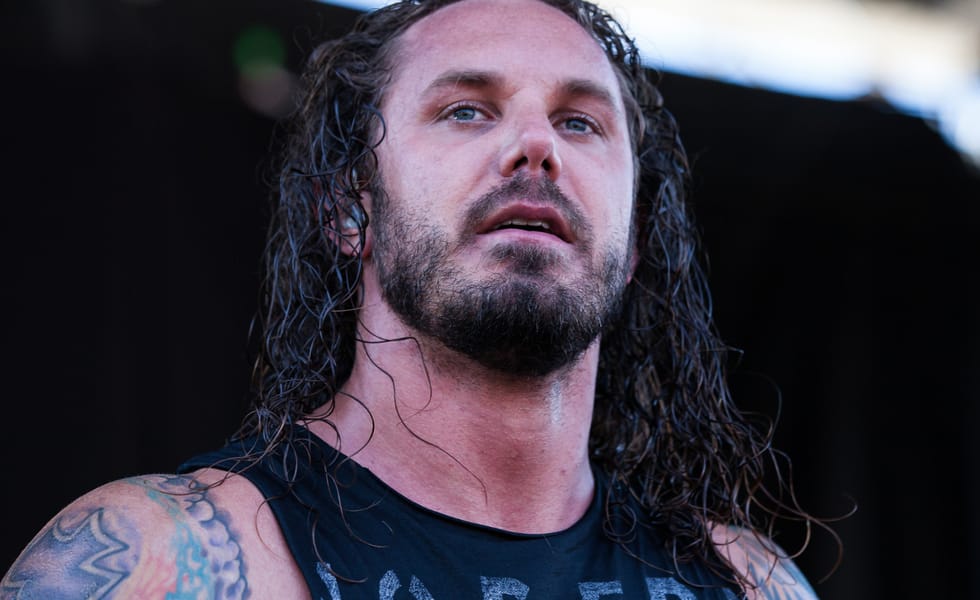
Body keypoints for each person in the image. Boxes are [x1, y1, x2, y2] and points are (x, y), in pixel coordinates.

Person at [2, 0, 842, 597]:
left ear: (635, 245)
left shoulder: (750, 585)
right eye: (467, 110)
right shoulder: (159, 561)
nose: (535, 146)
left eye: (580, 122)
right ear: (349, 209)